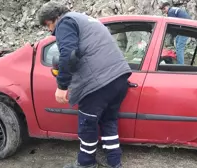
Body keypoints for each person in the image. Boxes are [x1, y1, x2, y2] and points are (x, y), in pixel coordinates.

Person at [37, 2, 132, 168]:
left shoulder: (65, 22)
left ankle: (86, 163)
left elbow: (68, 54)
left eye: (48, 24)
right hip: (120, 77)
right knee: (108, 120)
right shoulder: (86, 19)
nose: (49, 30)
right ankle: (114, 162)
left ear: (55, 18)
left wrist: (62, 86)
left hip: (99, 83)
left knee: (87, 124)